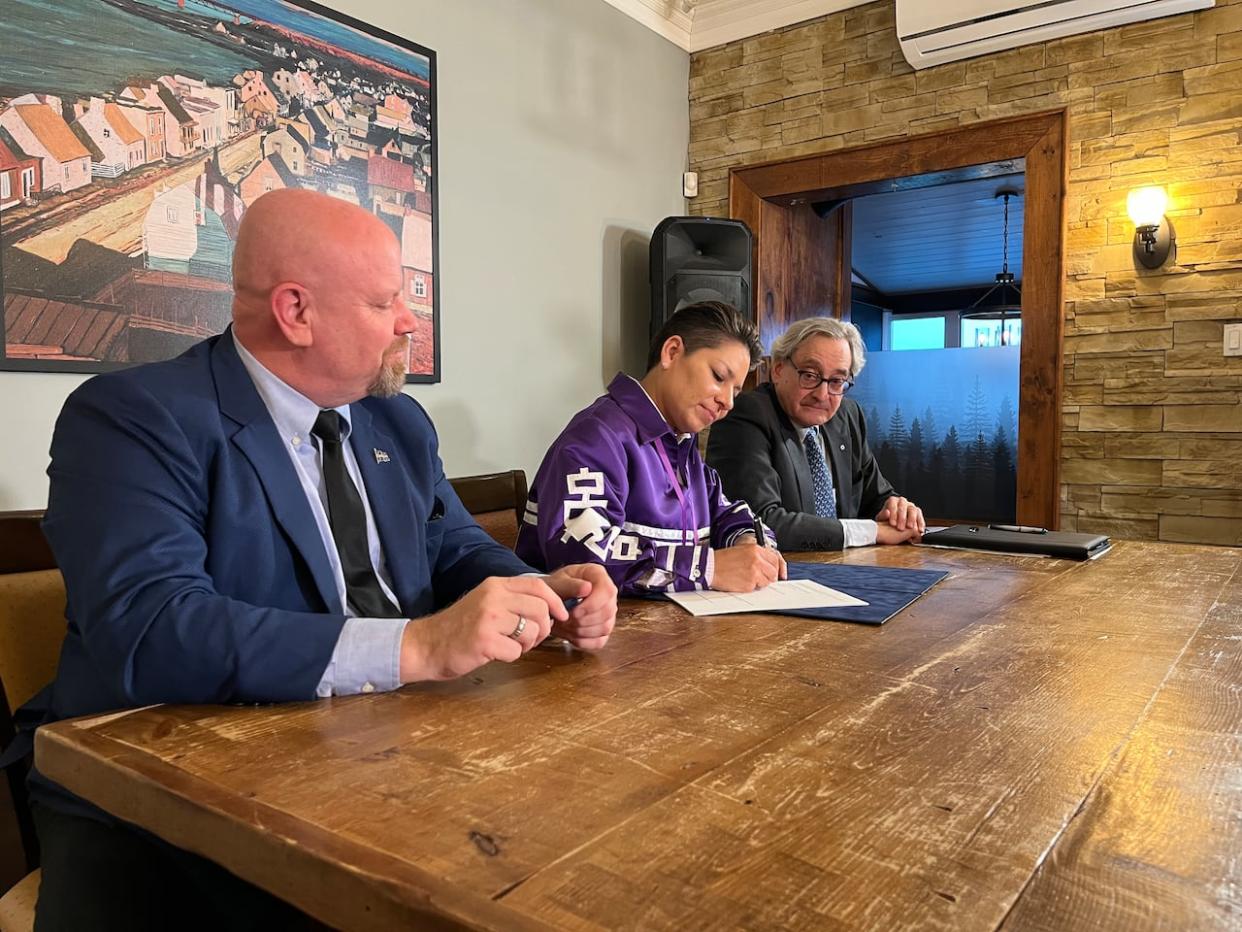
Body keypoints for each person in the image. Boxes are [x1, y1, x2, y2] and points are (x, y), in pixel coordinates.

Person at [22, 189, 617, 930]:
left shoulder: (394, 418)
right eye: (385, 302)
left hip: (374, 756)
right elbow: (149, 627)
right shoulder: (134, 418)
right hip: (156, 790)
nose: (410, 322)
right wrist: (419, 644)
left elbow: (450, 542)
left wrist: (539, 595)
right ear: (295, 312)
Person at [516, 301, 786, 595]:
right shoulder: (596, 437)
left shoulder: (681, 443)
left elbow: (726, 511)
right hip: (580, 634)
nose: (728, 402)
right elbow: (584, 555)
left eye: (736, 391)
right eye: (719, 377)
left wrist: (748, 542)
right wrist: (707, 568)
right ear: (672, 352)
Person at [706, 317, 924, 552]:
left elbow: (876, 497)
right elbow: (758, 522)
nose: (822, 394)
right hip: (778, 576)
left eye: (837, 381)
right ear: (778, 370)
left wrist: (897, 510)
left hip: (849, 569)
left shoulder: (848, 416)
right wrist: (874, 531)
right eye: (810, 375)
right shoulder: (747, 415)